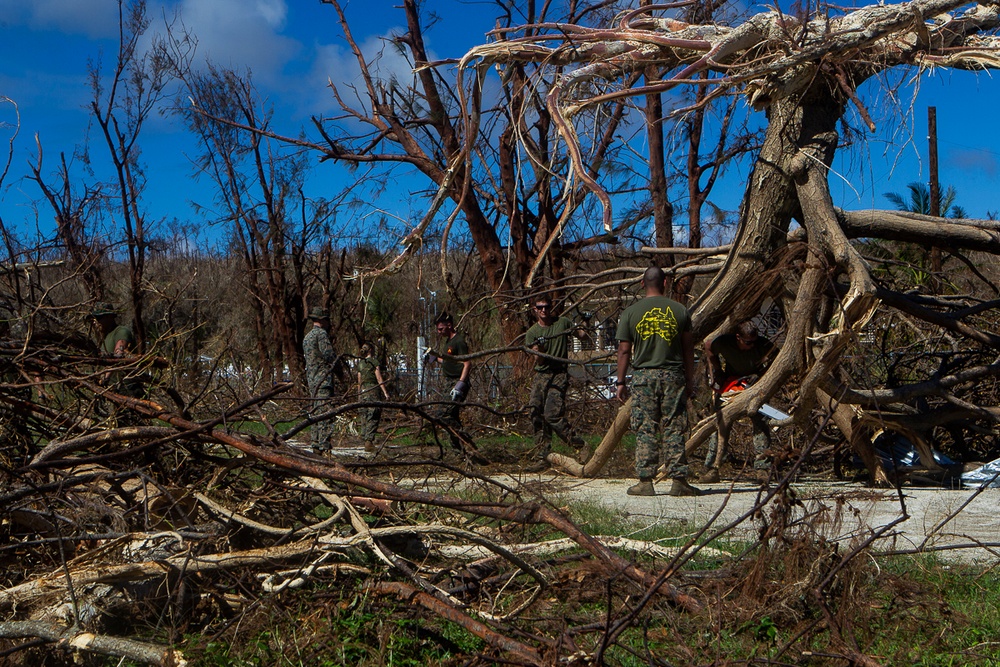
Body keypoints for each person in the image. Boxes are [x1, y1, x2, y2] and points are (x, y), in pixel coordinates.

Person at [615, 266, 699, 497]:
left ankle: (645, 481)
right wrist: (690, 380)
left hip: (644, 377)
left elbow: (624, 351)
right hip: (674, 376)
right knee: (674, 425)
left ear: (642, 284)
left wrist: (620, 381)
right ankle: (679, 481)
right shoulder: (680, 310)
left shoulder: (631, 313)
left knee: (646, 427)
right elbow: (688, 349)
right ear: (665, 284)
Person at [701, 320, 776, 482]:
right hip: (731, 385)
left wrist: (762, 374)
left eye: (754, 342)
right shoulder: (724, 343)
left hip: (755, 386)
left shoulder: (763, 345)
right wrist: (717, 370)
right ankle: (712, 467)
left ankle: (762, 468)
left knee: (760, 423)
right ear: (738, 338)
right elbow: (708, 347)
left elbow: (777, 358)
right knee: (720, 423)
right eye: (748, 342)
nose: (752, 346)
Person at [524, 297, 588, 472]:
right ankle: (542, 455)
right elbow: (538, 359)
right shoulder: (532, 333)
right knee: (535, 412)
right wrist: (541, 348)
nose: (544, 310)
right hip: (542, 374)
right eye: (540, 307)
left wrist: (585, 321)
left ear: (551, 308)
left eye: (547, 307)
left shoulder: (563, 323)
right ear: (535, 310)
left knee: (552, 414)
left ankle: (579, 444)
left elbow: (581, 335)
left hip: (559, 374)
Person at [424, 312, 474, 457]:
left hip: (456, 382)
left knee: (444, 414)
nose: (439, 332)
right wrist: (434, 358)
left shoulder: (458, 341)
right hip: (448, 382)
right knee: (451, 416)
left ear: (449, 325)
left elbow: (467, 363)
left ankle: (465, 441)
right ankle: (458, 451)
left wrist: (460, 383)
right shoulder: (448, 343)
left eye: (441, 329)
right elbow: (448, 361)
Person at [303, 307, 337, 452]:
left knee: (315, 411)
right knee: (324, 412)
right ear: (322, 320)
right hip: (323, 379)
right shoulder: (321, 335)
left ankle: (315, 443)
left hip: (312, 380)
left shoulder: (307, 337)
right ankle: (324, 445)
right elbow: (328, 354)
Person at [358, 341, 390, 453]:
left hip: (362, 391)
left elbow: (359, 380)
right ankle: (369, 441)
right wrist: (385, 392)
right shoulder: (374, 362)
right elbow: (379, 378)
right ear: (371, 349)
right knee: (374, 415)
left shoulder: (361, 363)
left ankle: (364, 437)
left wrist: (359, 393)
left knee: (364, 415)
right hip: (373, 391)